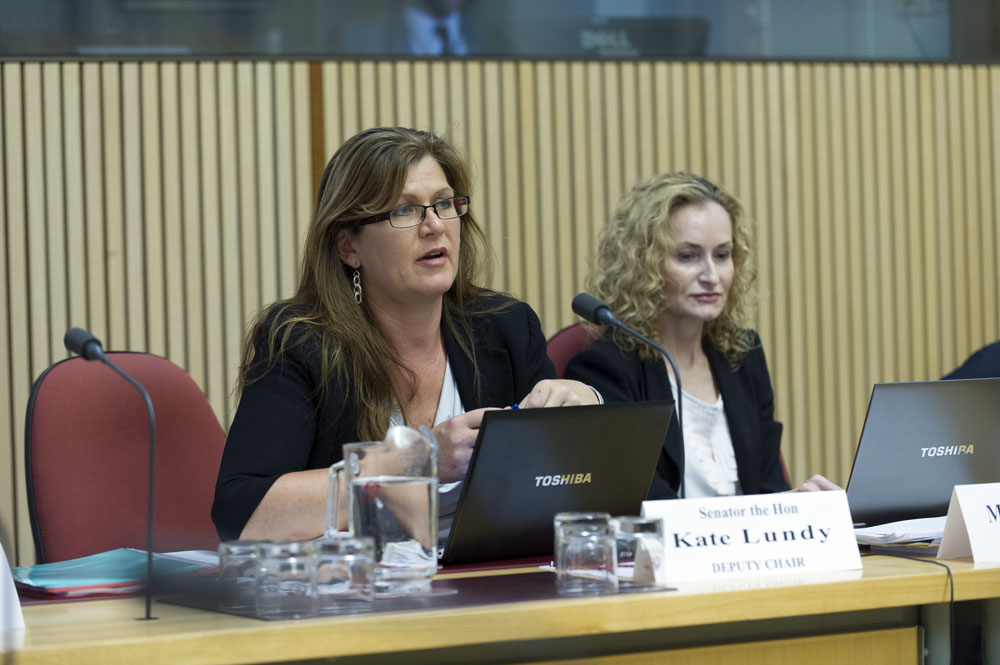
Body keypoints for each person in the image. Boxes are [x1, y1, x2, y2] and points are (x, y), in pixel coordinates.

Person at [212, 127, 598, 542]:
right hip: (360, 596)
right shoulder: (300, 344)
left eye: (444, 204)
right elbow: (243, 515)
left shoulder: (504, 326)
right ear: (349, 247)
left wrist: (586, 411)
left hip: (490, 586)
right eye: (404, 211)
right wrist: (418, 457)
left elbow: (568, 493)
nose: (434, 226)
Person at [565, 173, 836, 500]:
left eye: (722, 255)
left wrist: (802, 505)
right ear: (643, 266)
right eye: (688, 256)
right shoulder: (605, 369)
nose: (711, 276)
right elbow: (641, 506)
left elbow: (767, 487)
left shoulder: (743, 355)